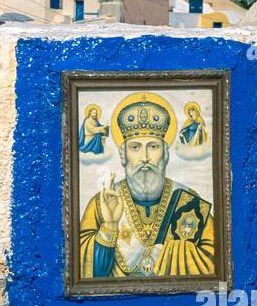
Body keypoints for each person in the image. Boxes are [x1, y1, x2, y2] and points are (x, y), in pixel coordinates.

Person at [78, 92, 214, 279]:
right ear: (123, 155)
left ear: (165, 154)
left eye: (153, 147)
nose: (145, 158)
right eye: (135, 147)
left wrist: (176, 252)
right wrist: (109, 226)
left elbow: (213, 262)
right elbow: (89, 274)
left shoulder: (189, 202)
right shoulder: (102, 204)